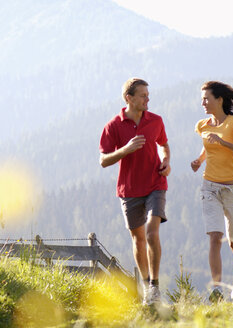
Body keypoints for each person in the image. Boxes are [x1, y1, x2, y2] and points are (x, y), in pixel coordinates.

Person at [99, 78, 171, 306]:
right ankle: (146, 282)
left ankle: (154, 287)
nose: (147, 99)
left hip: (155, 184)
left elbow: (164, 144)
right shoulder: (113, 126)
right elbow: (103, 160)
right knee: (138, 239)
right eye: (143, 95)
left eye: (148, 94)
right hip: (129, 190)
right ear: (129, 98)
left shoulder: (156, 120)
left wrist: (167, 161)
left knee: (151, 232)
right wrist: (126, 149)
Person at [190, 81, 233, 302]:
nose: (203, 103)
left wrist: (223, 143)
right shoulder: (202, 125)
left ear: (219, 100)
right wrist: (199, 160)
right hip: (210, 187)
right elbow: (207, 147)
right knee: (215, 238)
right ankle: (217, 289)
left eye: (206, 98)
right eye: (202, 99)